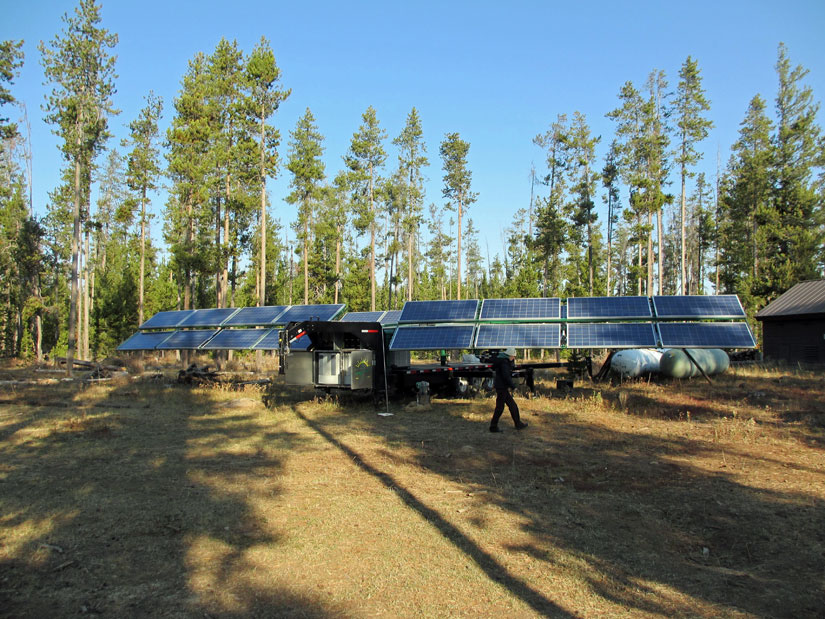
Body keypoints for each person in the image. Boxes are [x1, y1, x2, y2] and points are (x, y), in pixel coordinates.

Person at [489, 347, 528, 432]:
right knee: (500, 407)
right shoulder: (504, 363)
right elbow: (506, 376)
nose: (513, 358)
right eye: (513, 356)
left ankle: (518, 424)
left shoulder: (502, 361)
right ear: (510, 355)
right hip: (502, 387)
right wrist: (513, 386)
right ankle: (493, 426)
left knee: (512, 405)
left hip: (501, 387)